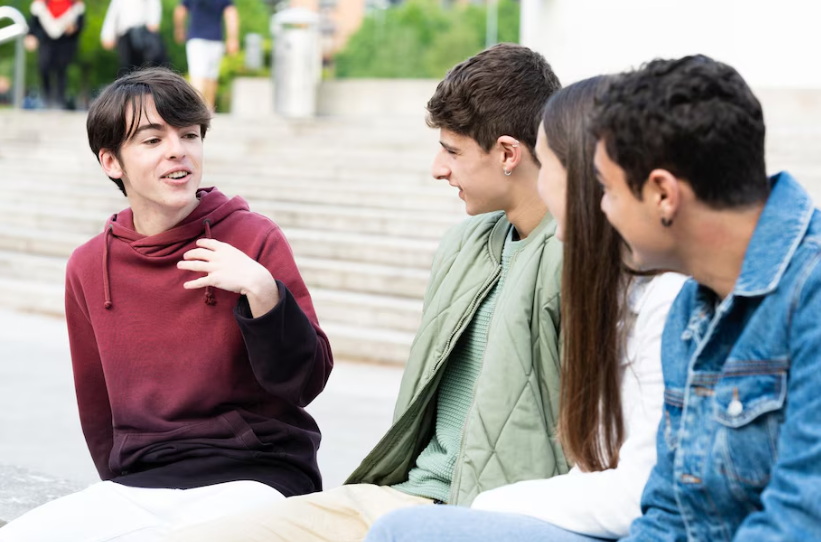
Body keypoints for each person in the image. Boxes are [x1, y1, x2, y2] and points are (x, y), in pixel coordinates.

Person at [166, 42, 566, 542]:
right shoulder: (464, 244)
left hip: (491, 515)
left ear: (508, 153)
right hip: (402, 496)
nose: (438, 168)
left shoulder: (579, 260)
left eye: (452, 150)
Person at [0, 67, 333, 542]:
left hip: (258, 474)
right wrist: (117, 489)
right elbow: (97, 408)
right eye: (152, 140)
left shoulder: (253, 238)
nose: (178, 150)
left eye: (189, 135)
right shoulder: (88, 266)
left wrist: (264, 294)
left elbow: (306, 382)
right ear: (111, 162)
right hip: (142, 481)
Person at [364, 77, 686, 542]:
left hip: (601, 519)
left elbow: (642, 491)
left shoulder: (665, 298)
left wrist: (485, 506)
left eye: (550, 164)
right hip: (531, 505)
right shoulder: (622, 291)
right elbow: (598, 467)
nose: (543, 184)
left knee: (399, 531)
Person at [590, 54, 821, 541]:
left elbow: (800, 522)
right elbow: (670, 514)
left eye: (607, 190)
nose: (602, 210)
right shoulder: (689, 311)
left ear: (662, 194)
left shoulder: (811, 295)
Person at [174, 0, 240, 111]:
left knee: (197, 74)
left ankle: (196, 110)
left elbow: (180, 11)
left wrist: (179, 30)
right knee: (211, 76)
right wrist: (232, 38)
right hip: (216, 39)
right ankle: (208, 109)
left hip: (196, 39)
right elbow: (231, 15)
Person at [24, 0, 85, 109]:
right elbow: (33, 24)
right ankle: (47, 97)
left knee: (62, 70)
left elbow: (80, 25)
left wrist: (74, 28)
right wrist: (30, 35)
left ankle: (60, 99)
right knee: (44, 67)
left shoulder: (75, 6)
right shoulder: (40, 5)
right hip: (45, 41)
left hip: (65, 42)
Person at [101, 0, 167, 73]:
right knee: (127, 68)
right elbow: (113, 14)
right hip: (125, 36)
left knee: (150, 64)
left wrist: (153, 22)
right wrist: (108, 36)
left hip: (144, 35)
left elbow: (154, 10)